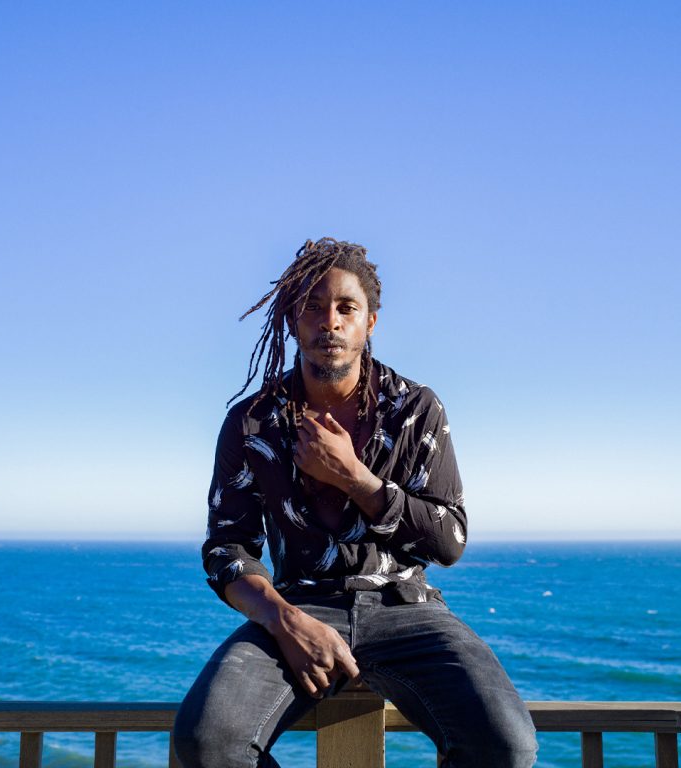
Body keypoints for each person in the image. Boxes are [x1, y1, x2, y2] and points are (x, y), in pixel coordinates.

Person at [174, 238, 537, 767]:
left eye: (347, 308)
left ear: (370, 323)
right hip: (299, 607)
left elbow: (450, 540)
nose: (331, 322)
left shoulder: (415, 409)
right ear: (293, 321)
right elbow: (227, 548)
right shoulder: (253, 422)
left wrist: (354, 478)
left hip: (407, 610)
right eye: (314, 307)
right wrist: (284, 621)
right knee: (205, 742)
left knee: (506, 746)